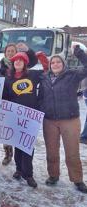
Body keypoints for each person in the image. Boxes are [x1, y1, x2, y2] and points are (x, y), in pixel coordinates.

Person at [38, 45, 87, 193]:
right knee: (51, 150)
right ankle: (53, 175)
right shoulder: (44, 77)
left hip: (69, 120)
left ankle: (77, 179)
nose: (56, 64)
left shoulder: (72, 75)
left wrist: (79, 53)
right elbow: (41, 98)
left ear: (63, 64)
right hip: (49, 120)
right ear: (50, 65)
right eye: (53, 62)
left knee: (72, 152)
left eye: (58, 62)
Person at [3, 51, 47, 188]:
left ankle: (28, 174)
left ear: (25, 63)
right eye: (16, 60)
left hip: (30, 116)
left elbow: (47, 70)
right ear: (13, 63)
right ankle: (19, 169)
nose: (18, 62)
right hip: (16, 116)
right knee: (18, 144)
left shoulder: (33, 75)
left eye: (21, 60)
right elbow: (5, 96)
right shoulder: (8, 78)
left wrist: (42, 58)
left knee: (27, 145)